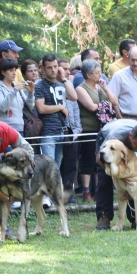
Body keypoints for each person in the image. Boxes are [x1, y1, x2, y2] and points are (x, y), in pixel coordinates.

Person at [95, 121, 137, 230]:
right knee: (105, 180)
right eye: (136, 145)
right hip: (106, 137)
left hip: (125, 147)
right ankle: (104, 217)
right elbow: (99, 159)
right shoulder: (115, 136)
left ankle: (134, 219)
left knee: (133, 179)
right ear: (130, 136)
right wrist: (119, 176)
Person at [75, 59, 120, 202]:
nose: (100, 75)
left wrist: (106, 89)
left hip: (103, 129)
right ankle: (86, 191)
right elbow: (91, 107)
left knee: (100, 159)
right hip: (88, 129)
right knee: (87, 160)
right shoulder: (80, 88)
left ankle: (98, 189)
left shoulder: (100, 87)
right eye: (96, 72)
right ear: (88, 75)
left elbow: (115, 102)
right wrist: (106, 105)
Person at [34, 54, 78, 165]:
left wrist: (63, 78)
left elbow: (74, 97)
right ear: (43, 69)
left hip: (62, 130)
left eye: (55, 66)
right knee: (49, 169)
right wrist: (60, 107)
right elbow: (41, 108)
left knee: (56, 169)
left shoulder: (62, 84)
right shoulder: (40, 86)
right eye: (49, 67)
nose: (53, 70)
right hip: (48, 133)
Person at [0, 58, 35, 135]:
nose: (14, 73)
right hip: (4, 130)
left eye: (15, 70)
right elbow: (2, 108)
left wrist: (30, 93)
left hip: (20, 129)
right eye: (11, 71)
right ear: (3, 72)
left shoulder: (16, 86)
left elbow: (30, 107)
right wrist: (14, 91)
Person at [58, 59, 82, 200]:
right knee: (58, 164)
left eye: (68, 69)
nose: (68, 72)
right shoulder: (50, 86)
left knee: (71, 164)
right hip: (58, 130)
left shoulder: (69, 85)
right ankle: (56, 194)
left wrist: (77, 130)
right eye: (64, 69)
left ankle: (68, 193)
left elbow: (75, 107)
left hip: (72, 131)